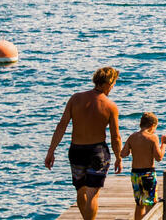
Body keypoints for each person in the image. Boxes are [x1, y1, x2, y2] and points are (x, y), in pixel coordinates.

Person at [46, 67, 123, 220]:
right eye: (114, 83)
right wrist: (118, 157)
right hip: (97, 152)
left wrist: (51, 151)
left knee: (81, 191)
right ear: (108, 83)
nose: (114, 87)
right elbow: (116, 137)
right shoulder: (110, 106)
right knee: (93, 194)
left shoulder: (75, 98)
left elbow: (62, 125)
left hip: (76, 151)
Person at [120, 112, 166, 220]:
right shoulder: (153, 137)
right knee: (150, 204)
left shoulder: (132, 137)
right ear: (152, 126)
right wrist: (164, 144)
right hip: (148, 174)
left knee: (139, 204)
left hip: (135, 174)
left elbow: (123, 154)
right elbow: (159, 157)